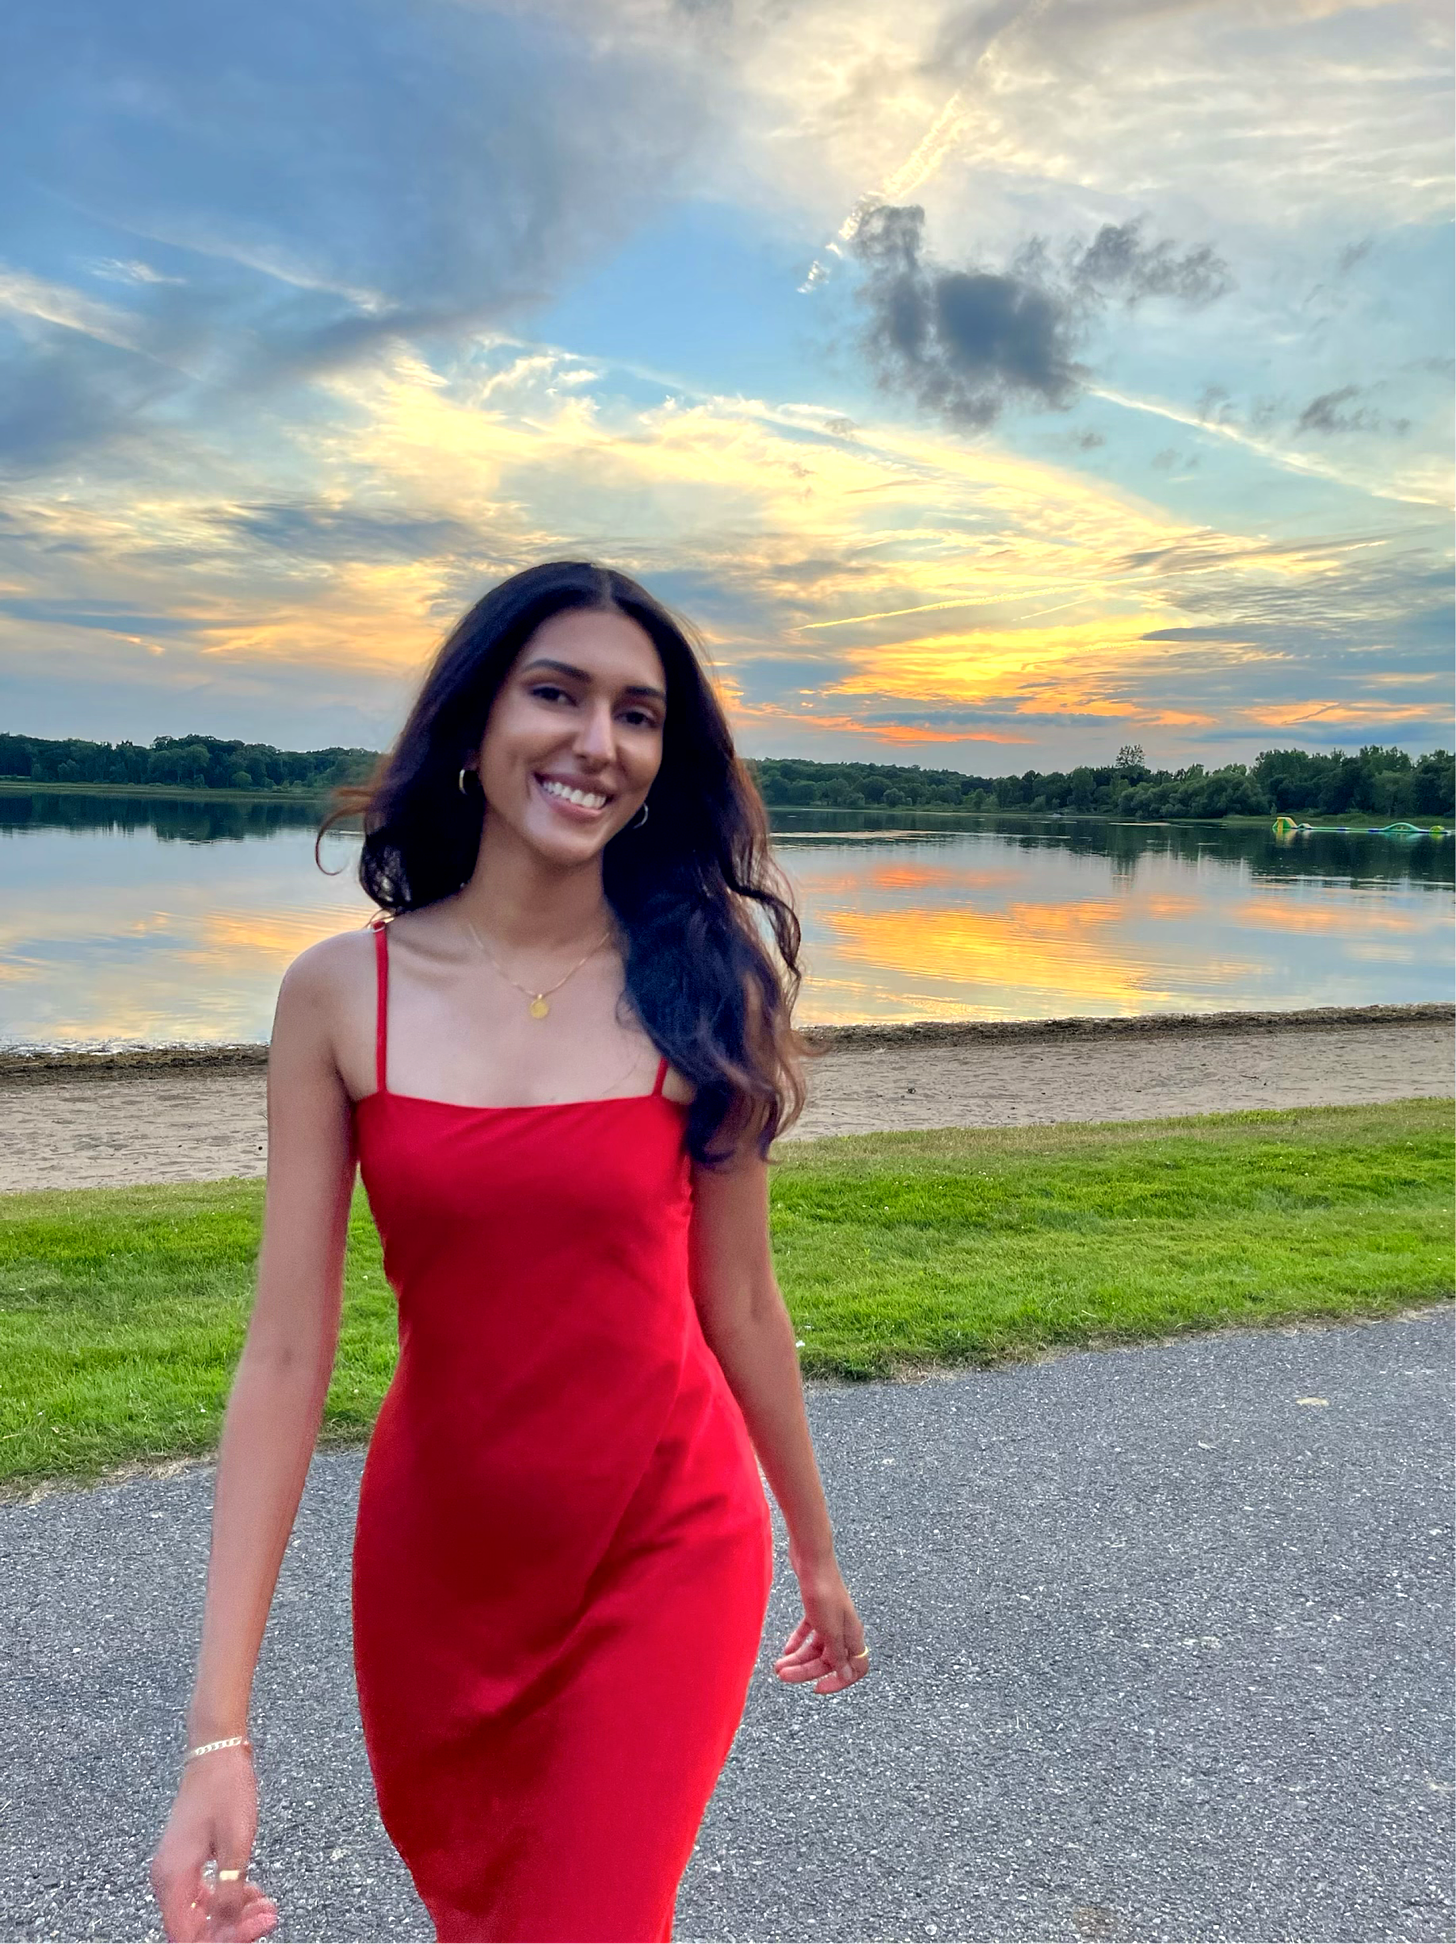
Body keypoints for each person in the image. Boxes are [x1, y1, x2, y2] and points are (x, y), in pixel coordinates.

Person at [149, 560, 870, 1944]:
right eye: (558, 693)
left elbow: (743, 1305)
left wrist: (817, 1551)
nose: (598, 741)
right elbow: (287, 1356)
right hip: (442, 1579)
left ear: (665, 764)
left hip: (663, 1542)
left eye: (639, 714)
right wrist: (215, 1733)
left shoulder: (706, 982)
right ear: (478, 722)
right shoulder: (335, 997)